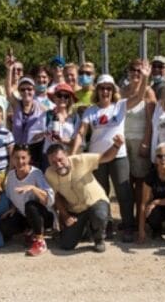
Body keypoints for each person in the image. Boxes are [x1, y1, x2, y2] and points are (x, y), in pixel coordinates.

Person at [72, 74, 135, 242]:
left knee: (123, 192)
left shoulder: (120, 106)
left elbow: (139, 97)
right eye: (102, 88)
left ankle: (128, 226)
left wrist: (144, 77)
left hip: (118, 155)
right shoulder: (91, 110)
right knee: (101, 193)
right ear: (97, 90)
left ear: (113, 90)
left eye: (109, 88)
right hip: (98, 157)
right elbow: (81, 132)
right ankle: (106, 224)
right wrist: (73, 153)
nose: (105, 91)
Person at [45, 136, 124, 252]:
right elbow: (57, 196)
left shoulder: (81, 160)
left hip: (95, 202)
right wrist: (65, 216)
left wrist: (117, 145)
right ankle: (86, 230)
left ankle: (99, 239)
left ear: (66, 155)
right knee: (66, 245)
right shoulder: (49, 174)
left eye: (60, 160)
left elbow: (106, 157)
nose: (58, 164)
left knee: (99, 215)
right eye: (53, 162)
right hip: (76, 210)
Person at [0, 147, 56, 256]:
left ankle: (40, 241)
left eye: (23, 158)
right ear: (12, 159)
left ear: (29, 158)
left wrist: (32, 188)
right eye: (17, 158)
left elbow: (49, 200)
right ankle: (30, 232)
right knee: (5, 225)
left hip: (44, 216)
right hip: (25, 215)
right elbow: (11, 194)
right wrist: (13, 208)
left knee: (30, 206)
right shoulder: (11, 175)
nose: (20, 161)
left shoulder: (36, 173)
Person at [120, 59, 156, 231]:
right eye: (133, 70)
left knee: (141, 183)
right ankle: (128, 219)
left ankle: (140, 219)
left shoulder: (148, 92)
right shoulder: (122, 91)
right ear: (128, 72)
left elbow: (151, 121)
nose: (136, 73)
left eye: (139, 71)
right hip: (123, 143)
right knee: (126, 183)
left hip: (140, 140)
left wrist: (146, 142)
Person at [11, 77, 49, 168]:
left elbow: (47, 127)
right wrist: (9, 70)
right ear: (19, 91)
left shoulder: (41, 108)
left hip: (34, 150)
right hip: (18, 149)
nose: (26, 92)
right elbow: (8, 90)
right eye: (23, 89)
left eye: (29, 89)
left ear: (34, 90)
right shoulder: (17, 104)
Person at [43, 83, 80, 162]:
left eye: (66, 96)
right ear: (54, 97)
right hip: (49, 158)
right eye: (59, 95)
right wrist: (48, 135)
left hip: (67, 157)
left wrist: (62, 140)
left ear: (69, 99)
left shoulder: (75, 118)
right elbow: (35, 134)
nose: (62, 98)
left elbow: (78, 140)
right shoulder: (47, 115)